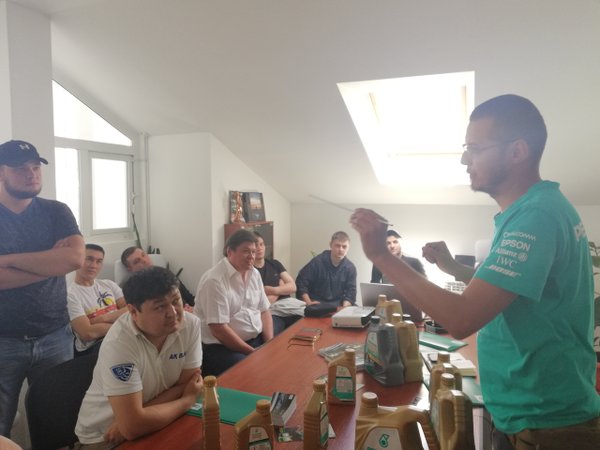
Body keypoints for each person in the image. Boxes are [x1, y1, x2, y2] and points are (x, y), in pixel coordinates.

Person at [350, 94, 600, 449]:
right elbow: (509, 288)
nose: (465, 159)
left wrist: (381, 255)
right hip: (528, 414)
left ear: (517, 151)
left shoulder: (535, 216)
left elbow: (462, 318)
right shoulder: (532, 209)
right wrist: (452, 267)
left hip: (546, 423)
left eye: (475, 148)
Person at [0, 140, 84, 437]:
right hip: (3, 339)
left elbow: (74, 259)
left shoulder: (56, 211)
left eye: (36, 167)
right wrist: (50, 263)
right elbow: (63, 262)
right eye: (20, 168)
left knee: (56, 422)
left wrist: (8, 261)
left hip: (55, 336)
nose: (31, 174)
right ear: (1, 172)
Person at [75, 266, 203, 448]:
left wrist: (135, 419)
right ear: (133, 312)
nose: (173, 313)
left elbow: (188, 383)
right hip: (105, 438)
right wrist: (187, 401)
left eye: (176, 301)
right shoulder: (119, 343)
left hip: (152, 421)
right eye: (160, 307)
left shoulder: (190, 325)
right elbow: (132, 428)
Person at [195, 229, 274, 376]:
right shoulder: (215, 281)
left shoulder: (254, 273)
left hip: (254, 340)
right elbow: (219, 330)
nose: (251, 256)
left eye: (253, 252)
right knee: (254, 370)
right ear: (230, 252)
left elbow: (264, 310)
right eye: (246, 251)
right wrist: (253, 353)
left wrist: (270, 344)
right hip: (221, 348)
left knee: (279, 358)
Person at [67, 244, 127, 357]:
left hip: (119, 336)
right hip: (95, 346)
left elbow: (130, 309)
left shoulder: (109, 285)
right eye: (89, 259)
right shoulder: (71, 295)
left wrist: (103, 318)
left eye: (99, 261)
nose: (94, 265)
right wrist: (122, 326)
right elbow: (87, 333)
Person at [253, 231, 303, 334]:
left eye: (261, 244)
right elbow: (265, 303)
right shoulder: (250, 271)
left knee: (311, 318)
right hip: (272, 312)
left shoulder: (274, 264)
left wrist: (273, 290)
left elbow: (293, 287)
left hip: (288, 305)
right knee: (272, 332)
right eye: (256, 245)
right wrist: (282, 288)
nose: (259, 248)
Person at [295, 231, 357, 307]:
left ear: (348, 248)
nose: (341, 249)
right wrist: (308, 303)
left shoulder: (350, 268)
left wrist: (344, 308)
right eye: (337, 245)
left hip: (338, 305)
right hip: (317, 304)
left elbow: (351, 292)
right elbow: (301, 282)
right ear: (331, 245)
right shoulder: (317, 262)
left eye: (344, 247)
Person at [120, 246, 195, 306]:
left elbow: (190, 299)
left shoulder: (166, 275)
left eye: (144, 255)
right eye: (137, 261)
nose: (144, 260)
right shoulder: (133, 288)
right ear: (130, 269)